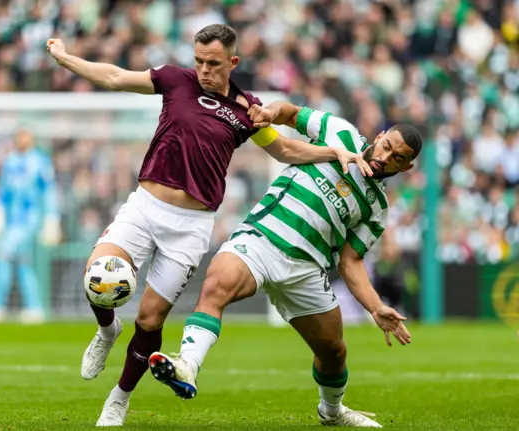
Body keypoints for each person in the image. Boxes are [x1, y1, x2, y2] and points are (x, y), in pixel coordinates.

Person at [46, 24, 372, 426]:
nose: (203, 70)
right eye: (199, 61)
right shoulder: (174, 80)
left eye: (213, 63)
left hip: (190, 226)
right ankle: (108, 329)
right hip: (145, 207)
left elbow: (285, 150)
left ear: (232, 62)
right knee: (98, 277)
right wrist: (66, 58)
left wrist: (333, 151)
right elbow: (114, 77)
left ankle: (119, 398)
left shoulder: (248, 111)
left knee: (150, 322)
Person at [149, 101, 422, 428]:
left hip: (307, 270)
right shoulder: (341, 133)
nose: (385, 158)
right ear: (379, 136)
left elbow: (350, 262)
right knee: (217, 285)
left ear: (405, 168)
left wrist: (376, 308)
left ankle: (332, 412)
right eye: (387, 146)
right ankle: (187, 366)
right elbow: (290, 114)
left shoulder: (377, 208)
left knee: (334, 352)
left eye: (397, 159)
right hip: (261, 239)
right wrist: (269, 115)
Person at [0, 129, 61, 324]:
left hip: (30, 220)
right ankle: (34, 307)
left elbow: (49, 191)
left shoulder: (40, 162)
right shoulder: (10, 161)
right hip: (11, 221)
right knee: (24, 262)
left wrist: (52, 217)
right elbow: (4, 189)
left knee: (2, 254)